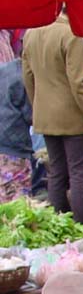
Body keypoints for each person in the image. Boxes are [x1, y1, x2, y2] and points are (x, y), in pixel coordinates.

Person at [20, 13, 83, 228]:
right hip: (71, 113)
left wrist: (38, 102)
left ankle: (60, 223)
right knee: (78, 171)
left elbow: (27, 76)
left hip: (44, 112)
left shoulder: (30, 33)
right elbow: (78, 82)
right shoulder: (70, 33)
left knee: (56, 171)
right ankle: (82, 226)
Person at [0, 58, 33, 202]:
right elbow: (30, 115)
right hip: (14, 144)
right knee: (18, 200)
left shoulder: (6, 69)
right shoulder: (23, 76)